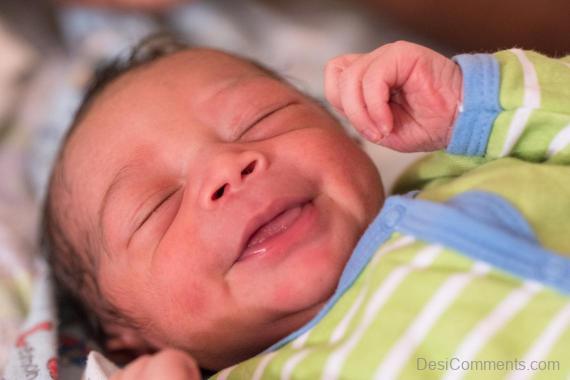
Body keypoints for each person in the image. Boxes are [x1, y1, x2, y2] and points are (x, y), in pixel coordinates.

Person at [41, 37, 570, 379]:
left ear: (349, 133)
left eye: (260, 118)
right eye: (155, 206)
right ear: (127, 337)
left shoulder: (476, 158)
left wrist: (474, 102)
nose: (226, 168)